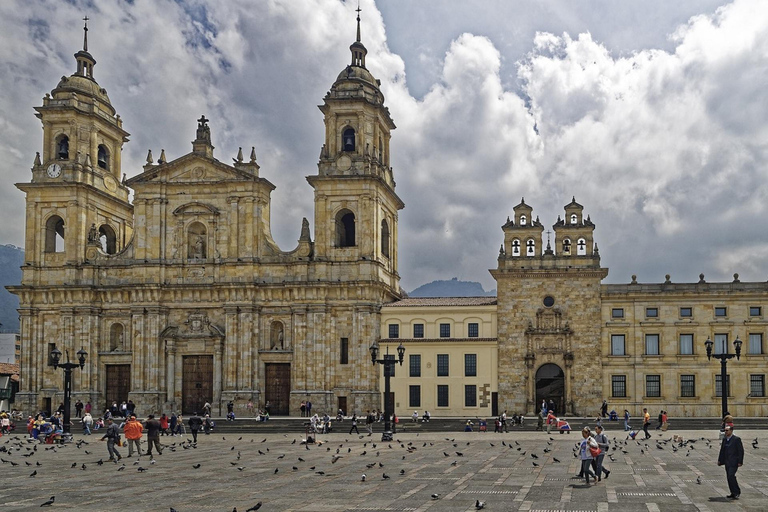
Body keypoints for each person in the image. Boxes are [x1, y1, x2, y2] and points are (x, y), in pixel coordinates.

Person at [718, 425, 744, 499]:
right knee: (729, 477)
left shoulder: (736, 439)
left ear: (731, 431)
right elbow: (722, 450)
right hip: (727, 462)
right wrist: (720, 460)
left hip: (734, 462)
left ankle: (737, 491)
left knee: (731, 475)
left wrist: (740, 461)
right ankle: (733, 492)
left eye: (727, 430)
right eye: (725, 430)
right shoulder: (725, 439)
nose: (725, 432)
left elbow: (740, 451)